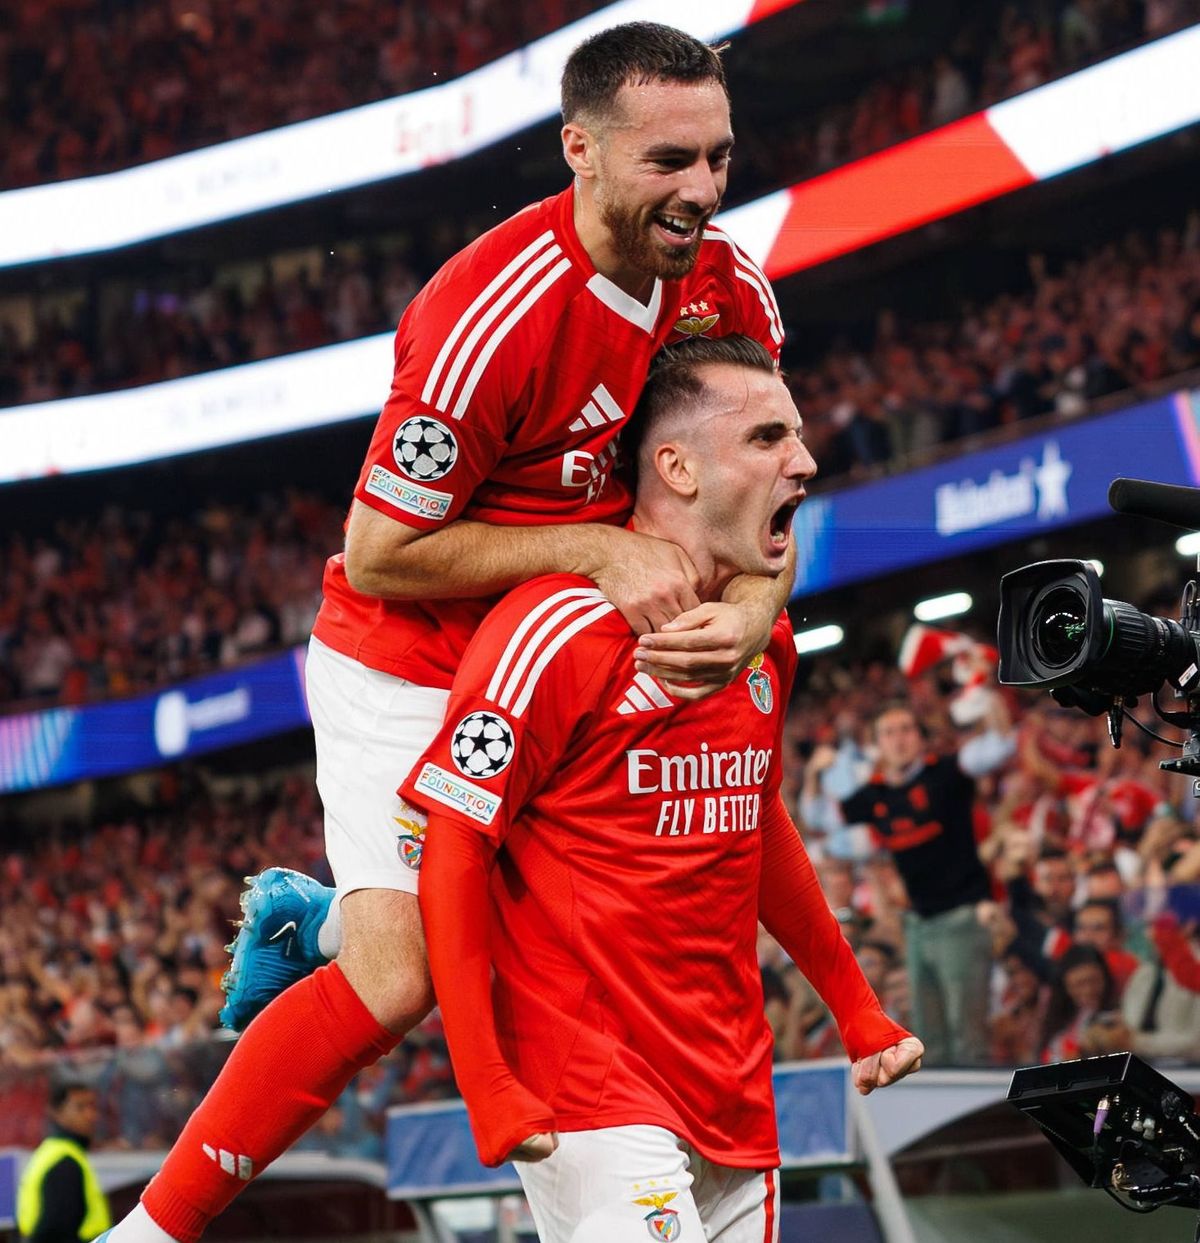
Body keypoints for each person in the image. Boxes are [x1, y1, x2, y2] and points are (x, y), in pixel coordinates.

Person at [99, 24, 790, 1243]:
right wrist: (596, 545)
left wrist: (751, 611)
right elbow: (380, 552)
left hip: (568, 659)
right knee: (403, 976)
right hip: (411, 657)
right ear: (579, 149)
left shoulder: (731, 287)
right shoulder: (488, 313)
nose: (702, 191)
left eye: (719, 157)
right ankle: (148, 1231)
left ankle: (321, 916)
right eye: (668, 160)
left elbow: (768, 487)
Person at [407, 336, 923, 1240]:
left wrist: (857, 1006)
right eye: (767, 437)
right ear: (676, 466)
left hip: (732, 1080)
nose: (802, 459)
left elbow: (749, 822)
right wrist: (483, 1074)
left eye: (796, 436)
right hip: (590, 1082)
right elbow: (455, 838)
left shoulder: (764, 637)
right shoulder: (554, 627)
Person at [813, 697, 1015, 1065]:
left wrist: (986, 697)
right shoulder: (876, 794)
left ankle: (972, 1121)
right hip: (918, 925)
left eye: (906, 729)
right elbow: (818, 816)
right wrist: (813, 774)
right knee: (928, 1036)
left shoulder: (946, 773)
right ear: (878, 744)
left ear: (921, 738)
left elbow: (999, 746)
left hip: (962, 918)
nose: (899, 739)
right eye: (888, 732)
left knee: (967, 1036)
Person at [18, 1082, 111, 1243]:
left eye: (92, 1107)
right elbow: (56, 1230)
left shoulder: (53, 1152)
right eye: (80, 1107)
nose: (91, 1115)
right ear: (56, 1113)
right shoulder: (65, 1162)